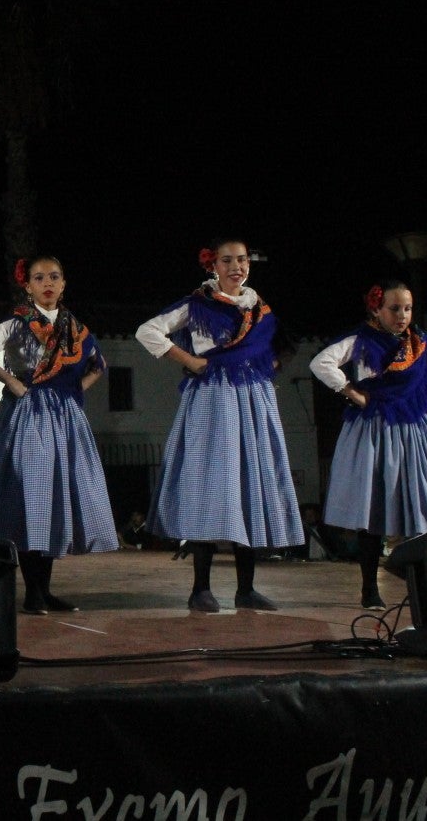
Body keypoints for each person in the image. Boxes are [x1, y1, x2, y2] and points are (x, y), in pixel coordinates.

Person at [135, 240, 303, 613]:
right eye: (227, 261)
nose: (236, 267)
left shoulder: (260, 310)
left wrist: (264, 371)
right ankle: (200, 589)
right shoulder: (198, 304)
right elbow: (148, 332)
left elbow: (283, 348)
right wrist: (190, 362)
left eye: (242, 260)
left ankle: (246, 589)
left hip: (253, 400)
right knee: (212, 485)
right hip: (213, 397)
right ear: (213, 266)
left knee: (249, 484)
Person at [309, 279, 427, 609]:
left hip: (412, 429)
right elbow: (321, 363)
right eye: (394, 309)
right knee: (374, 508)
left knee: (421, 506)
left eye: (407, 308)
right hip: (374, 429)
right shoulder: (361, 341)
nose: (402, 315)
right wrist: (352, 393)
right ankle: (370, 589)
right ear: (376, 309)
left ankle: (421, 587)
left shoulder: (421, 343)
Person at [0, 255, 120, 613]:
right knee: (31, 498)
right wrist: (10, 380)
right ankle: (33, 592)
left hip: (64, 418)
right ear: (28, 286)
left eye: (54, 277)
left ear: (64, 283)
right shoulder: (14, 325)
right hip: (26, 417)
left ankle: (44, 589)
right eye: (39, 278)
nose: (47, 284)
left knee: (55, 500)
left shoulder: (77, 329)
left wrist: (76, 391)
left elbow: (98, 366)